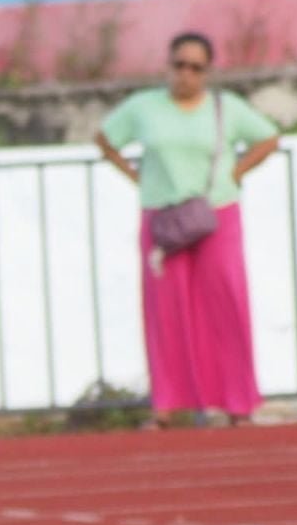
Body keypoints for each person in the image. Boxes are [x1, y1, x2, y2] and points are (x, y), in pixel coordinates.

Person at [96, 32, 280, 429]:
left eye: (195, 67)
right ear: (168, 65)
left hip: (217, 215)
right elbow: (105, 139)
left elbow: (267, 137)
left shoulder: (225, 108)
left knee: (226, 307)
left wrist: (236, 172)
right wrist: (136, 176)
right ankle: (168, 405)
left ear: (207, 72)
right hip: (163, 219)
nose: (185, 75)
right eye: (179, 65)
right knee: (166, 311)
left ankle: (237, 403)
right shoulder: (144, 107)